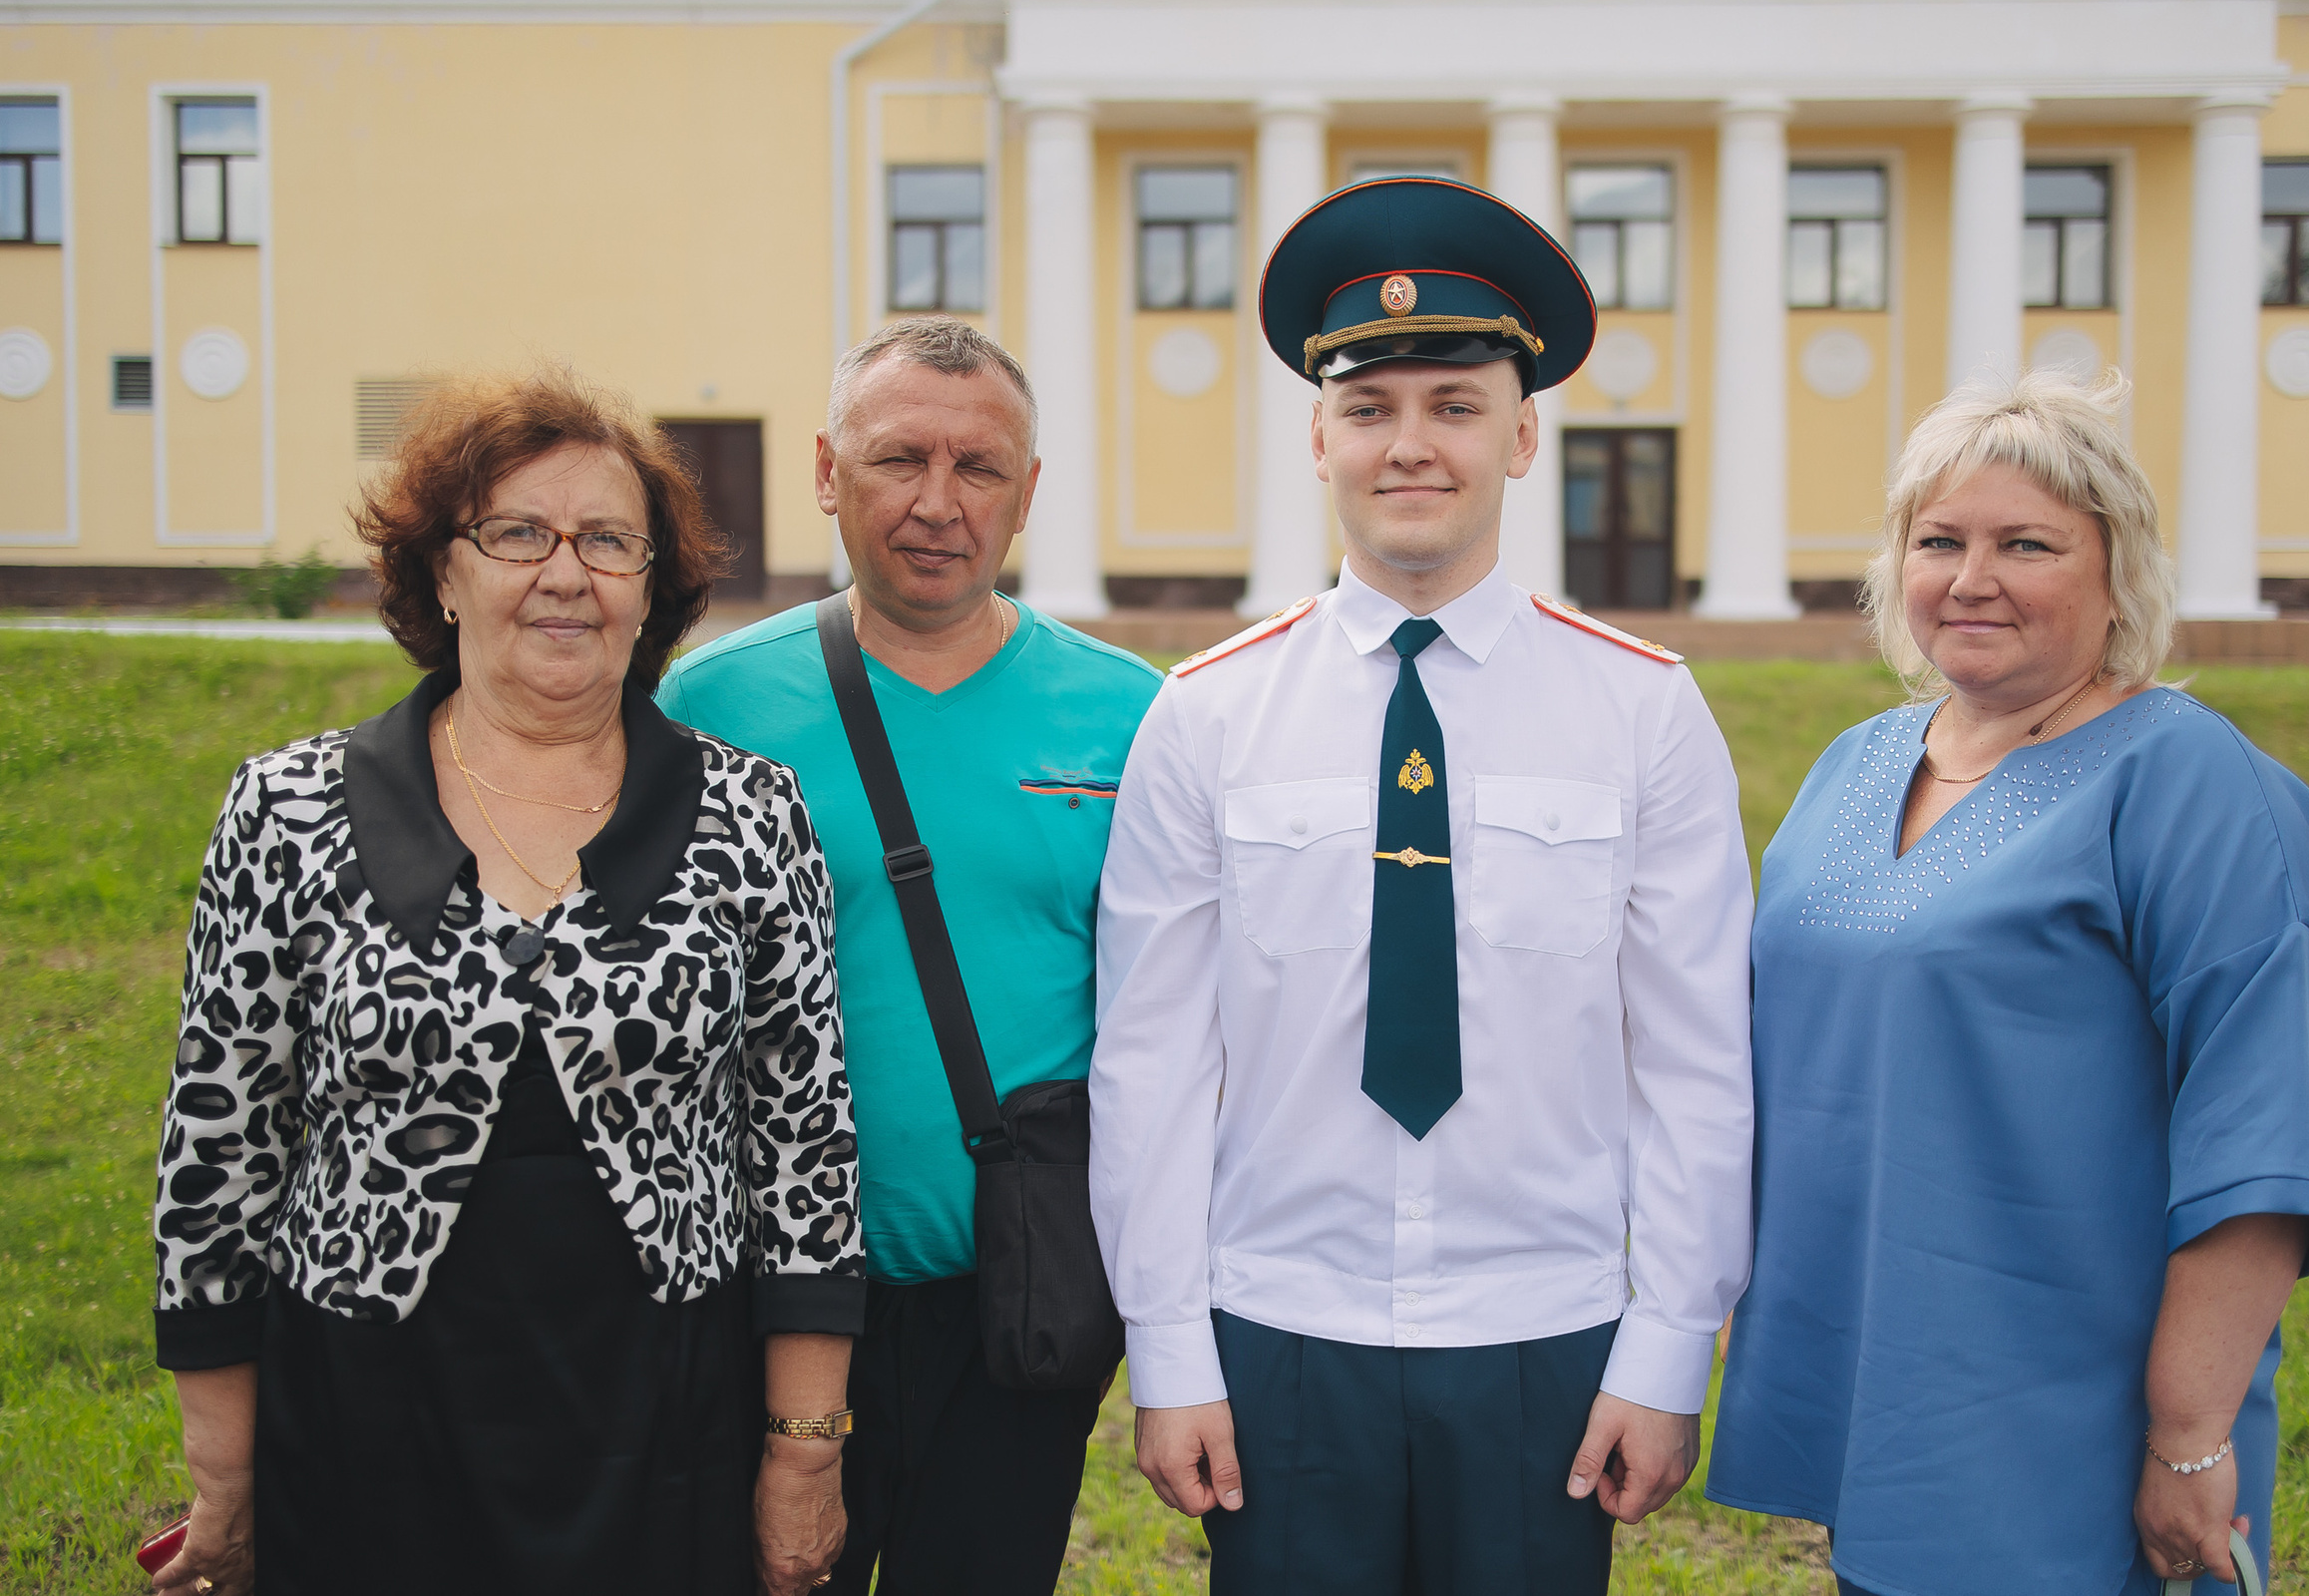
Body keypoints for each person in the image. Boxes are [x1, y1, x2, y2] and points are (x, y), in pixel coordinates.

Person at [1089, 176, 1757, 1595]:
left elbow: (1699, 1059)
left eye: (1455, 404)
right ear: (1319, 435)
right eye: (1373, 406)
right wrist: (1170, 1345)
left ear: (1522, 436)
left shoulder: (1642, 711)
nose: (1412, 444)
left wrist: (1665, 1341)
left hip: (1548, 1337)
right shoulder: (1206, 714)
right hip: (1280, 1330)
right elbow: (1150, 1060)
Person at [147, 369, 862, 1596]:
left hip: (662, 1417)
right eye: (517, 533)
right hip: (367, 1414)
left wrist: (803, 1452)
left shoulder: (751, 813)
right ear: (442, 570)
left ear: (654, 586)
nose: (565, 572)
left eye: (608, 540)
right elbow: (221, 1158)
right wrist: (225, 1471)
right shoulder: (290, 808)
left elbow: (802, 1155)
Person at [1705, 371, 2309, 1596]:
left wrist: (2186, 1431)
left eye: (2027, 543)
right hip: (1881, 1384)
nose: (1970, 576)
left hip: (2067, 1417)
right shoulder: (1859, 761)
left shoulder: (2190, 783)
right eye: (1937, 539)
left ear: (2119, 572)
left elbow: (2257, 1136)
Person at [655, 315, 1162, 1595]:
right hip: (764, 1299)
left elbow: (1180, 1022)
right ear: (827, 472)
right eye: (898, 461)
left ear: (1029, 493)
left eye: (979, 468)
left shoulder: (1137, 716)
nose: (938, 504)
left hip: (1018, 1296)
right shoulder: (707, 709)